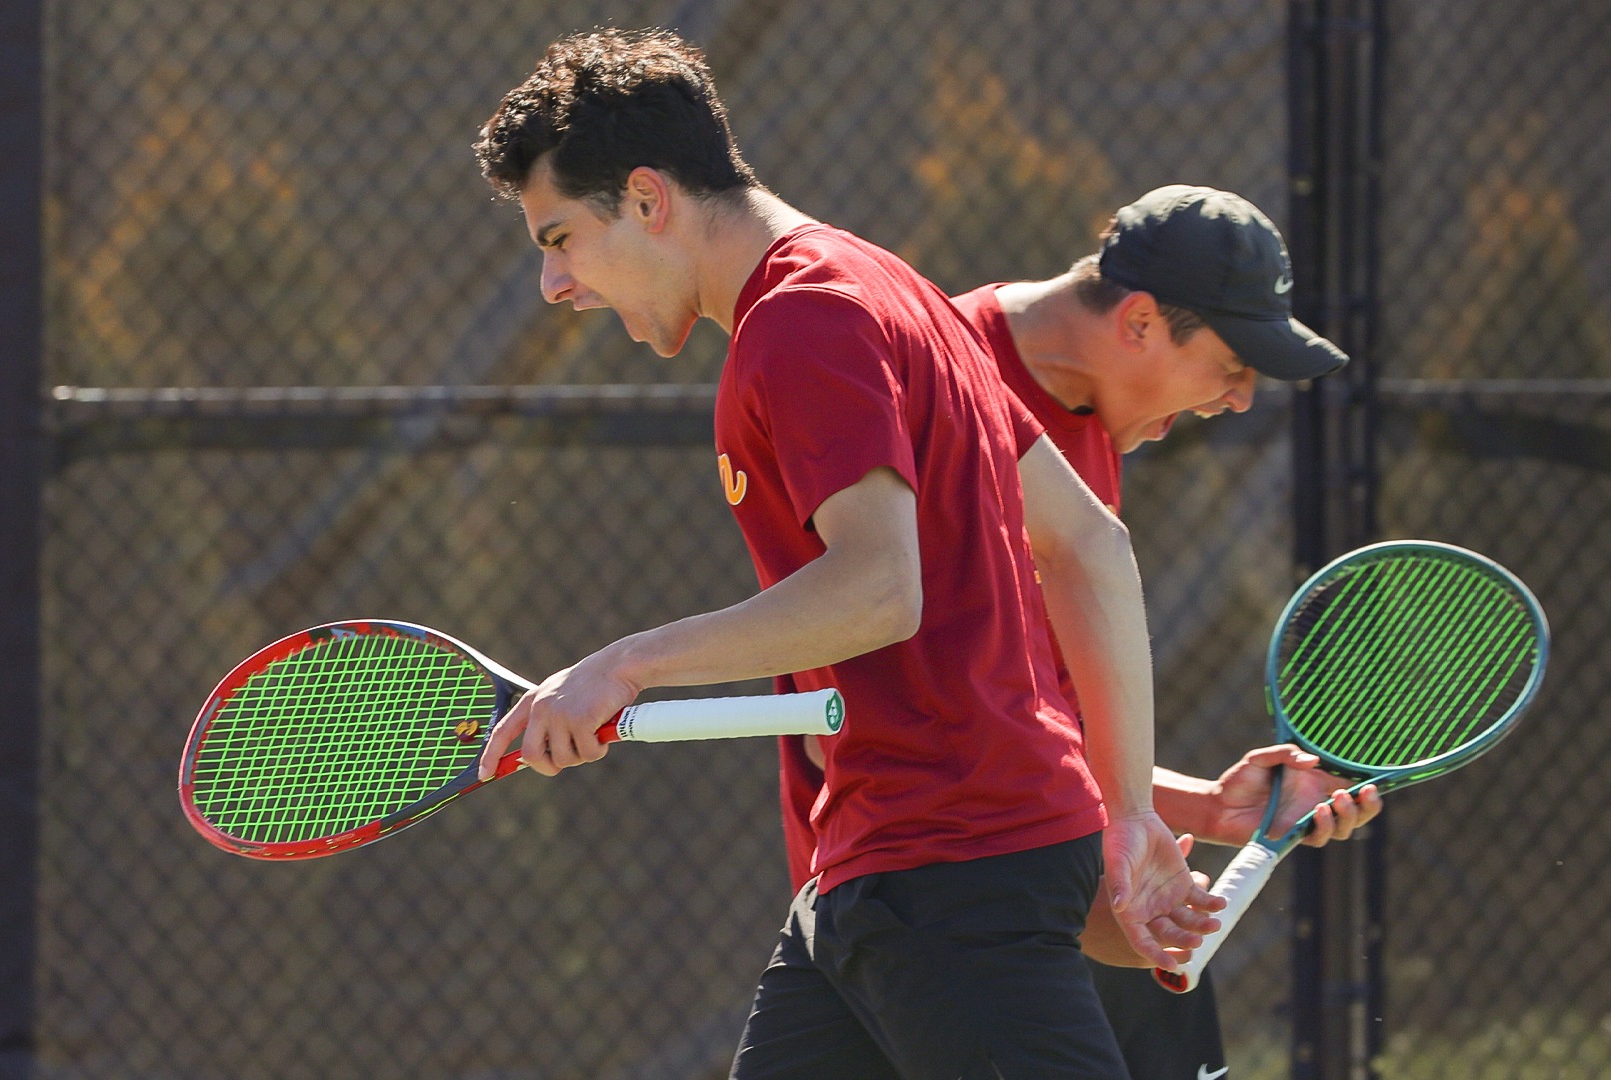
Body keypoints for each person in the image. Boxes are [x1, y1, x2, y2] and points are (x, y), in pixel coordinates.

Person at [473, 29, 1222, 1079]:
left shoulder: (803, 323)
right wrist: (1130, 812)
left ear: (647, 200)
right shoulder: (885, 286)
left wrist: (624, 663)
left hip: (947, 875)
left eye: (560, 238)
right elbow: (1091, 544)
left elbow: (879, 588)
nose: (554, 285)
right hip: (886, 871)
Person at [777, 186, 1385, 1078]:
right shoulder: (924, 378)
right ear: (1138, 321)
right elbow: (878, 722)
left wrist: (1207, 809)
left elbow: (1039, 714)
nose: (1243, 398)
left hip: (1064, 889)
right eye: (1232, 362)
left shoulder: (1093, 424)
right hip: (934, 914)